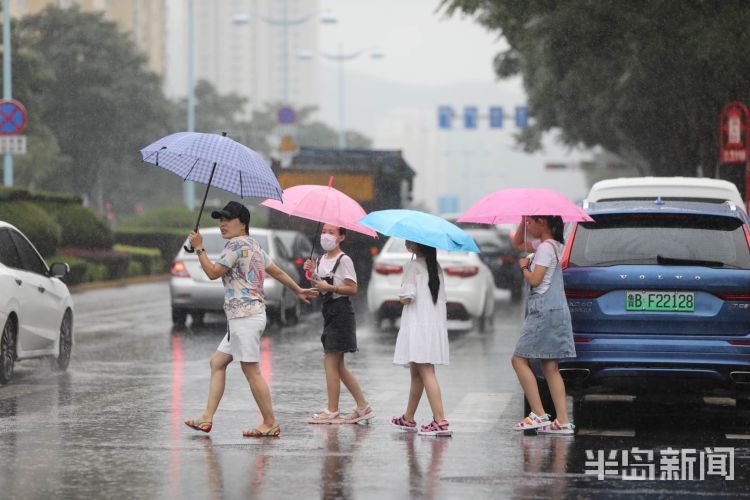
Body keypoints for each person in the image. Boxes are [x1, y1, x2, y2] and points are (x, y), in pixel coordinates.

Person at [184, 201, 318, 437]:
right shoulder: (254, 245)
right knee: (217, 363)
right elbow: (275, 271)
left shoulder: (234, 246)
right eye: (220, 219)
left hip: (244, 317)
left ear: (242, 223)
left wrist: (200, 249)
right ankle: (207, 417)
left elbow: (213, 273)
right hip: (246, 316)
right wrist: (297, 289)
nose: (222, 224)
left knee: (251, 371)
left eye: (228, 219)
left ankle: (270, 422)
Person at [511, 215, 576, 435]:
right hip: (557, 309)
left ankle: (538, 414)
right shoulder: (555, 245)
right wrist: (523, 218)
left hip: (543, 310)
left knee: (519, 360)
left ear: (543, 223)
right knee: (550, 367)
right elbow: (517, 243)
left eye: (531, 222)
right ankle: (563, 420)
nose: (528, 226)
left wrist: (523, 267)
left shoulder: (546, 248)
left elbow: (535, 280)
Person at [303, 224, 374, 424]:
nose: (326, 235)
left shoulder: (344, 260)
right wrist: (312, 274)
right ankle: (363, 407)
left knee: (330, 361)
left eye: (331, 232)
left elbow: (353, 288)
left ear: (341, 237)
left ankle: (332, 411)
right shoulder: (320, 260)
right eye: (324, 231)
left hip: (342, 312)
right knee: (338, 366)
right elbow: (320, 288)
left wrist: (331, 286)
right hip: (328, 312)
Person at [390, 241, 452, 437]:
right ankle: (408, 418)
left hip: (419, 325)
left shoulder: (412, 267)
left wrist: (401, 290)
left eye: (409, 240)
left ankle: (440, 420)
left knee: (426, 370)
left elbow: (407, 297)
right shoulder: (436, 267)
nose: (406, 242)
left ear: (416, 246)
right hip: (431, 325)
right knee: (417, 372)